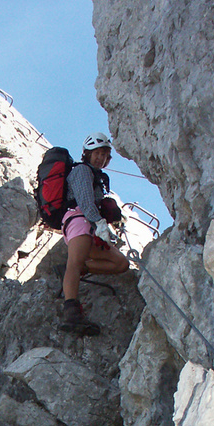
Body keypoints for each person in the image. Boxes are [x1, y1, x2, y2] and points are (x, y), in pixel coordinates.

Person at [60, 132, 129, 334]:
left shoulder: (97, 176)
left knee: (121, 263)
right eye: (97, 153)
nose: (102, 159)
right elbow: (85, 200)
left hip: (90, 225)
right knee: (74, 263)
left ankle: (76, 271)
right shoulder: (81, 170)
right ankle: (71, 313)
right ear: (87, 153)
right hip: (79, 219)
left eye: (106, 156)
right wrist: (98, 221)